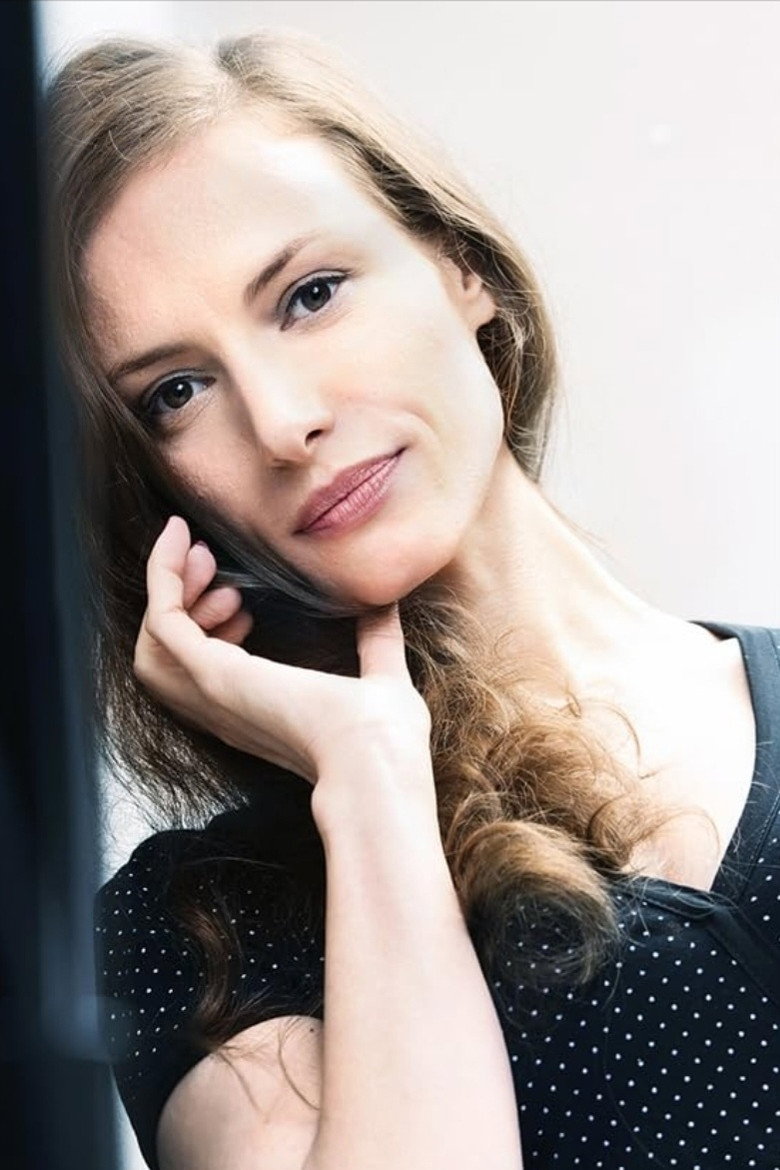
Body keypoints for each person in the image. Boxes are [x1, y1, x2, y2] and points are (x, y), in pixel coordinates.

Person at [42, 26, 779, 1170]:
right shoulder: (204, 932)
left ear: (457, 265)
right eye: (177, 392)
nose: (283, 422)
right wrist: (369, 771)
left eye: (310, 295)